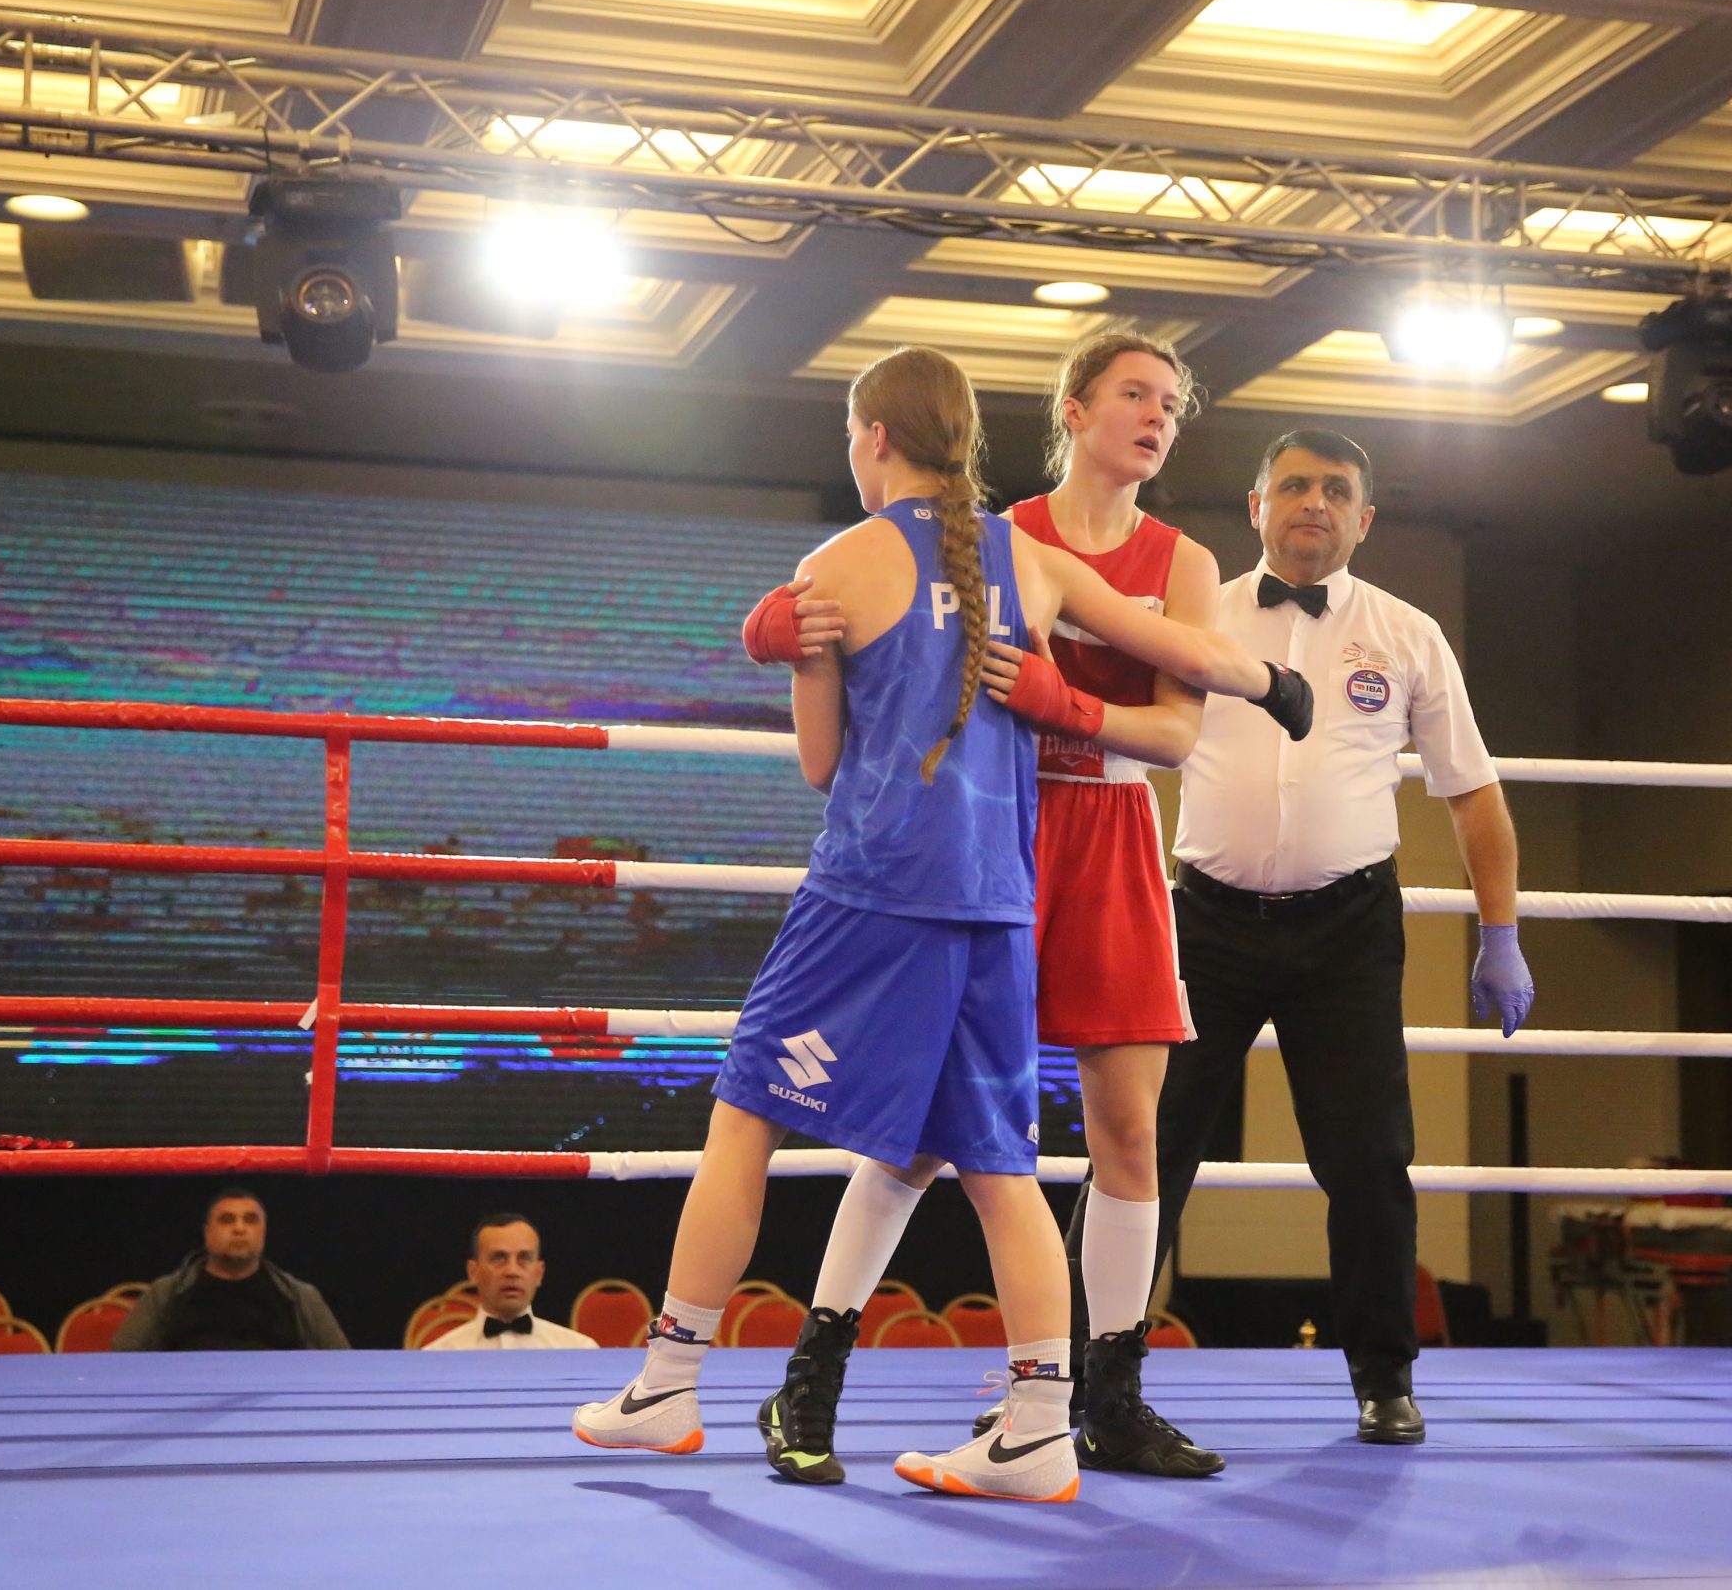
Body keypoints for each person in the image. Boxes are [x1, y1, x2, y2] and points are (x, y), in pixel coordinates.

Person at [573, 345, 1310, 1502]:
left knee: (747, 1120)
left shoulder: (838, 566)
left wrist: (795, 653)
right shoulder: (1030, 559)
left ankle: (668, 1382)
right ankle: (1038, 1428)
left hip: (870, 894)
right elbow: (1187, 657)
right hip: (998, 902)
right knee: (1000, 1169)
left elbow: (821, 766)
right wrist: (1276, 686)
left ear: (874, 437)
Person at [749, 332, 1232, 1478]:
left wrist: (1071, 705)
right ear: (1074, 409)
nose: (1155, 417)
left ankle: (1106, 1397)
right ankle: (814, 1373)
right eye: (1134, 394)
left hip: (1110, 831)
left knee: (1128, 1129)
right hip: (986, 837)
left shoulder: (1185, 561)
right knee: (923, 1131)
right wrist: (792, 636)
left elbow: (1176, 733)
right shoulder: (990, 535)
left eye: (1171, 405)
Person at [1134, 427, 1531, 1447]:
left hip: (1347, 929)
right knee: (1145, 1147)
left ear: (1365, 518)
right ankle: (1083, 1371)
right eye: (1295, 485)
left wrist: (1500, 933)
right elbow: (1111, 739)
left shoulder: (1408, 632)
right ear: (1257, 506)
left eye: (1336, 490)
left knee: (1367, 1159)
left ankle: (1384, 1377)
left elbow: (1473, 794)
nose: (1315, 502)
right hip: (1205, 922)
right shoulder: (1195, 615)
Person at [111, 1186, 350, 1352]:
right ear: (207, 1233)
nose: (239, 1229)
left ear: (264, 1232)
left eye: (250, 1220)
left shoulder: (299, 1296)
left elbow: (342, 1363)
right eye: (227, 1220)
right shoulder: (165, 1293)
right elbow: (120, 1359)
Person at [422, 1211, 595, 1350]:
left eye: (524, 1258)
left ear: (539, 1273)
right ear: (473, 1272)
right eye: (499, 1258)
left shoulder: (579, 1350)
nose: (512, 1271)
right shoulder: (438, 1356)